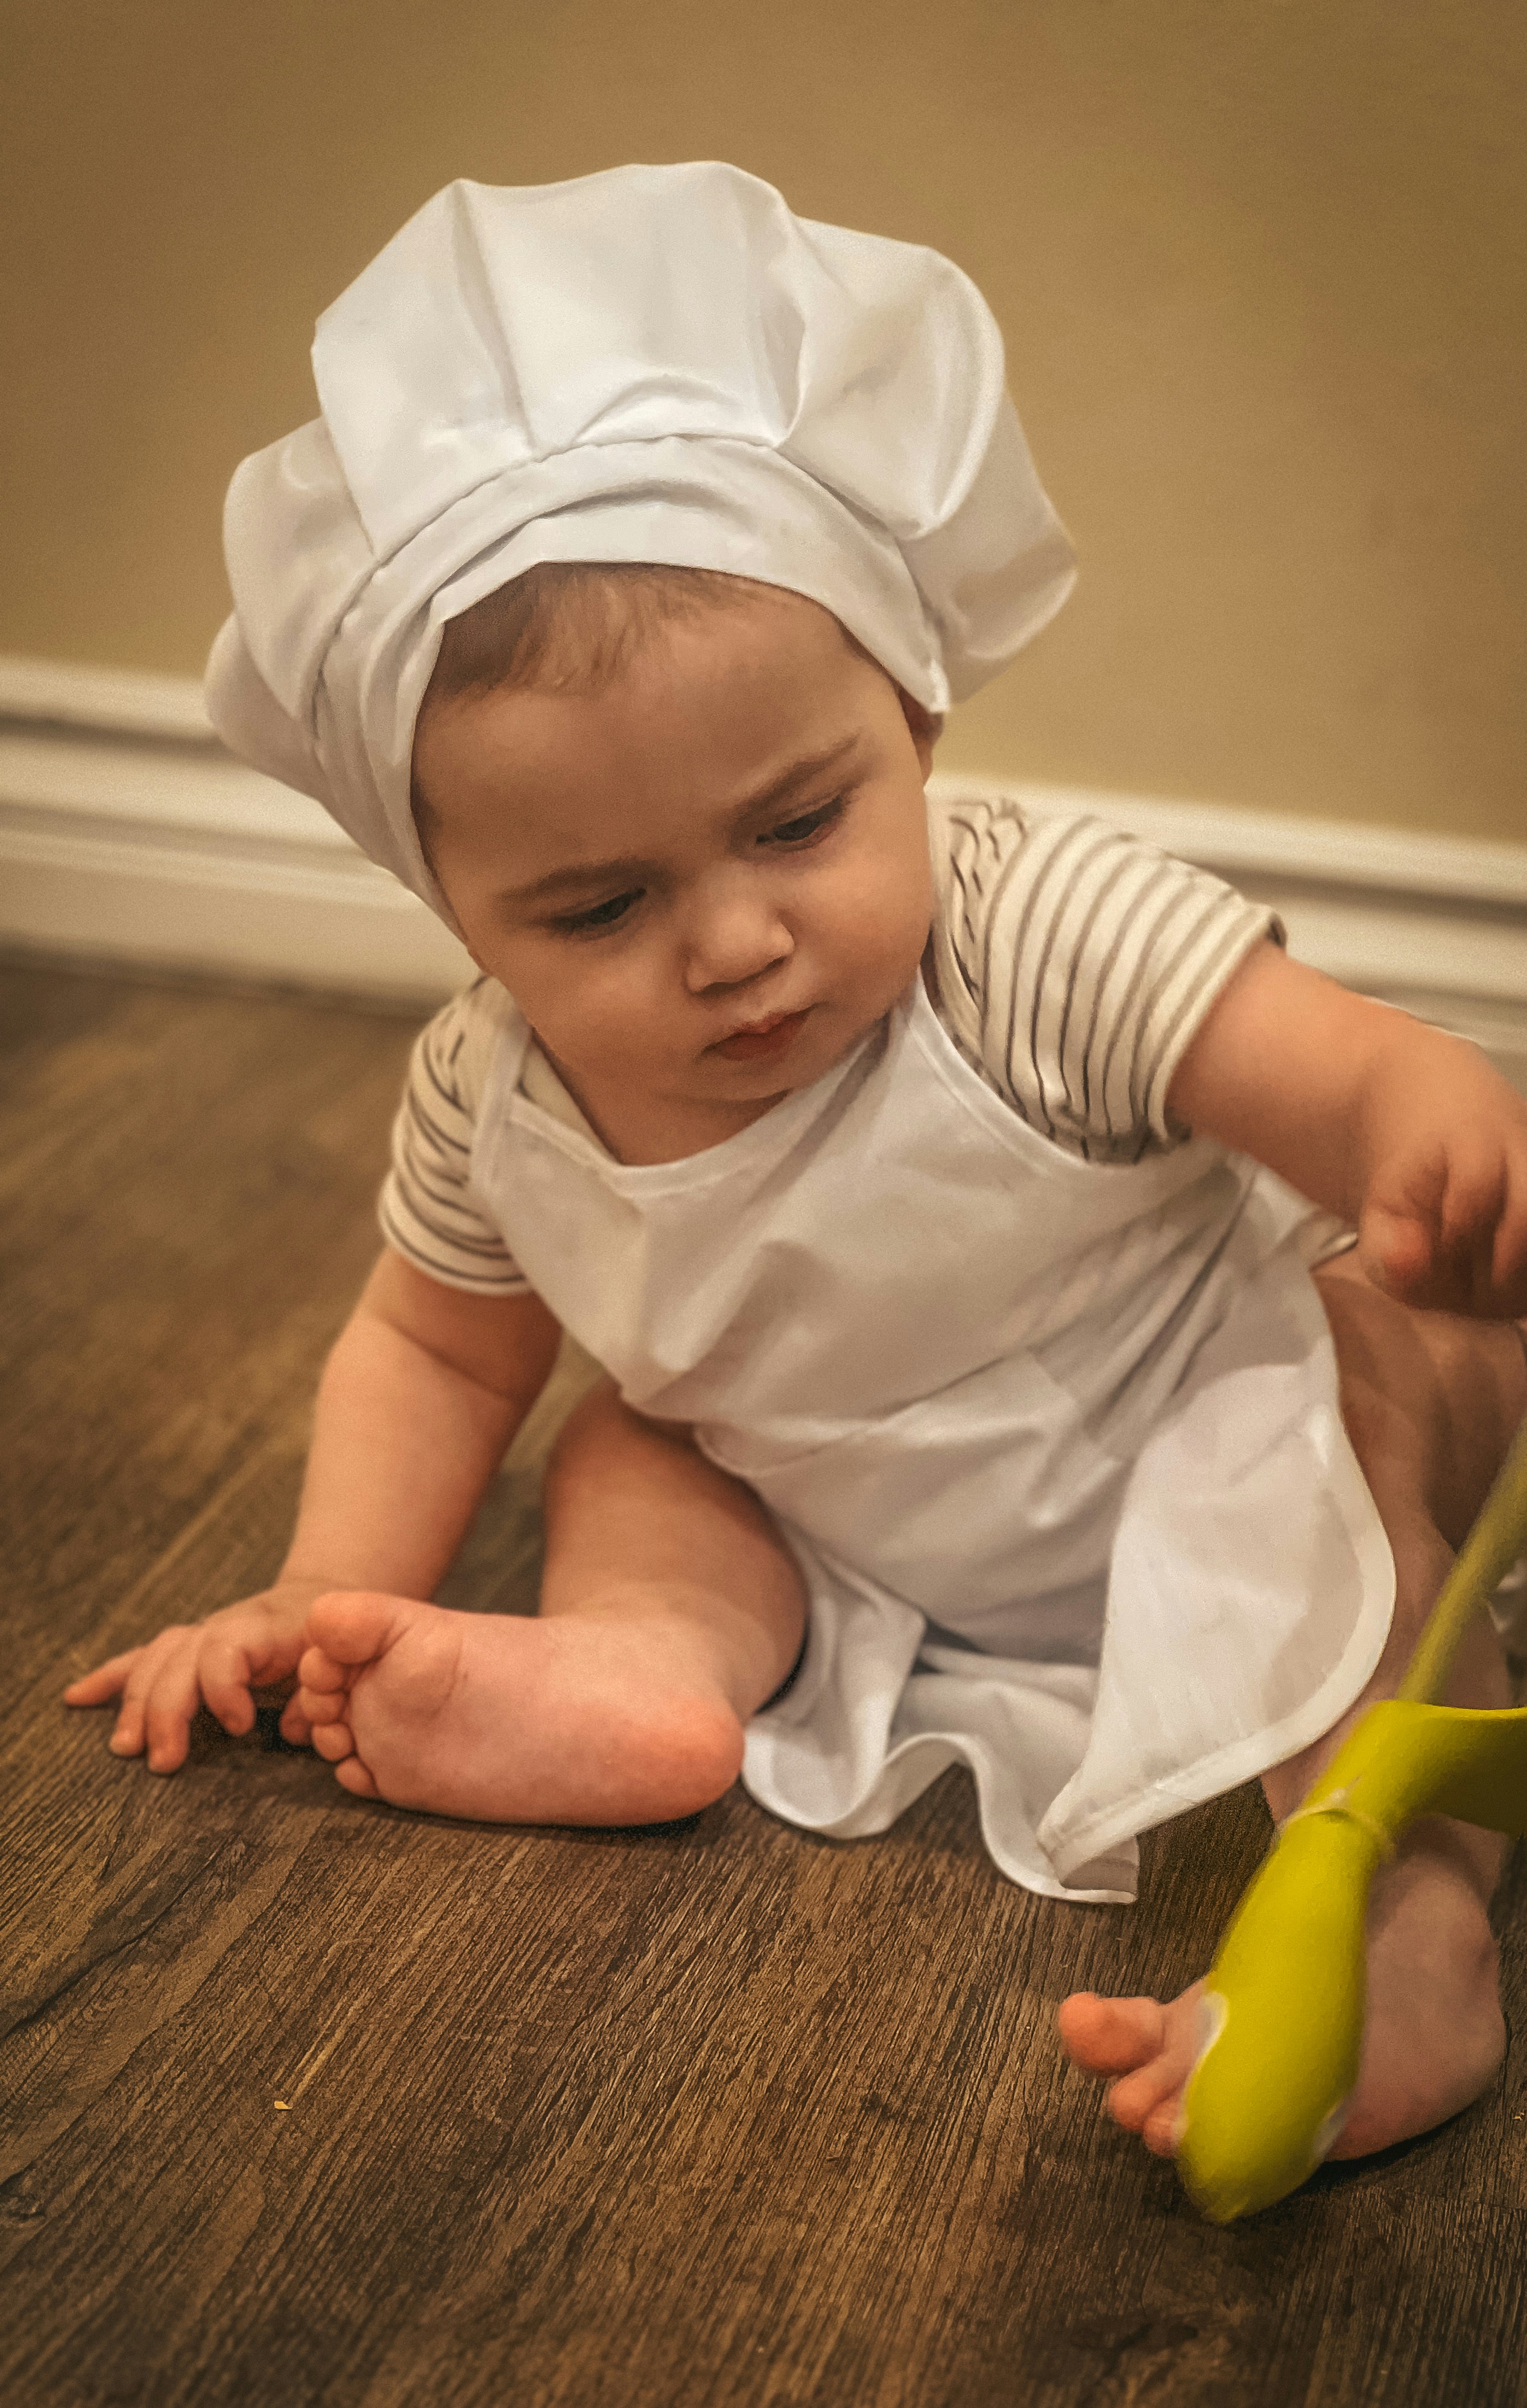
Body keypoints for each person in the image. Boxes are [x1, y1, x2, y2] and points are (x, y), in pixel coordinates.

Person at [65, 164, 1527, 2172]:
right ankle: (641, 1671)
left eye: (795, 823)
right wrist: (322, 1587)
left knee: (1355, 1407)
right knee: (633, 1444)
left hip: (1201, 1412)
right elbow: (431, 1351)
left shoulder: (1026, 932)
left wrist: (1420, 1127)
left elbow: (1326, 1069)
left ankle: (1402, 1915)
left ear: (910, 716)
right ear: (455, 915)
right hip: (840, 1504)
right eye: (595, 905)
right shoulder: (493, 1101)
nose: (730, 941)